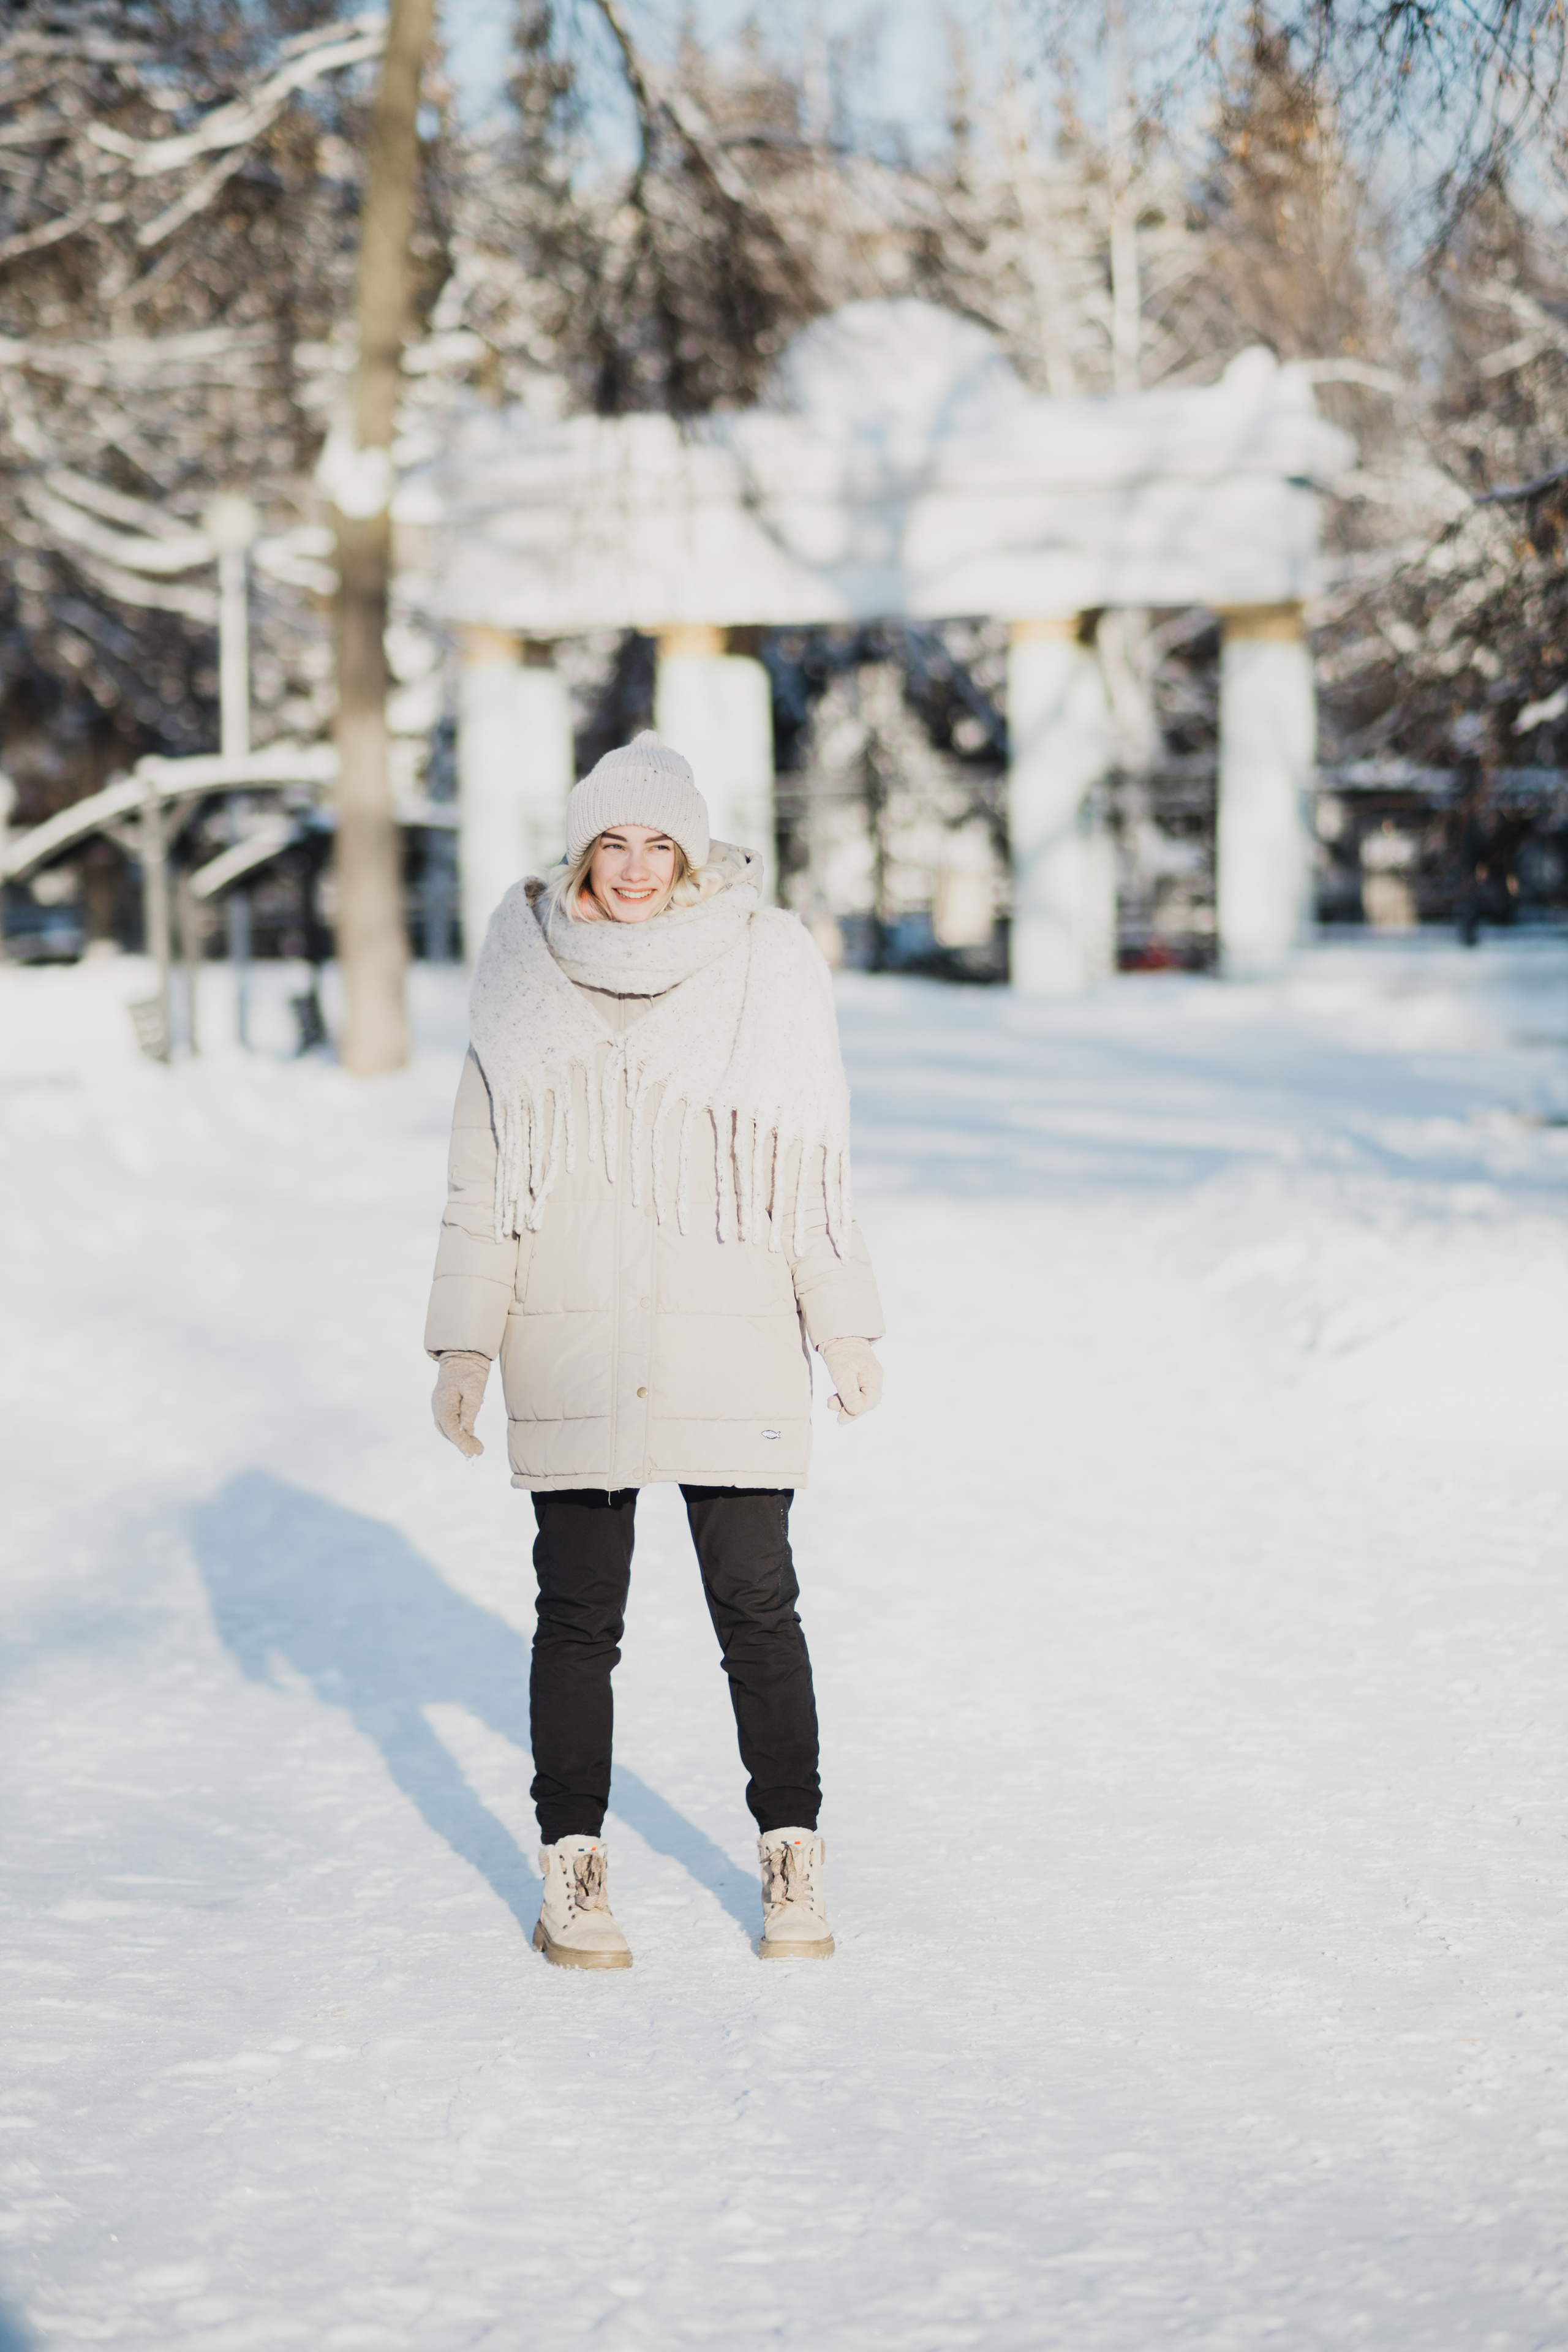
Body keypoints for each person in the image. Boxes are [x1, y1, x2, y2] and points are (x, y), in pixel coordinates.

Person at [424, 731, 884, 1970]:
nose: (633, 867)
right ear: (579, 850)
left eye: (657, 842)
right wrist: (461, 1344)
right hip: (567, 1330)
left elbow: (808, 1172)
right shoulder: (518, 973)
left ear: (691, 851)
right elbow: (481, 1181)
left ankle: (791, 1853)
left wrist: (840, 1323)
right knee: (577, 1614)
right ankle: (570, 1865)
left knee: (755, 1606)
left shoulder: (768, 966)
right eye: (611, 842)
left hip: (728, 1325)